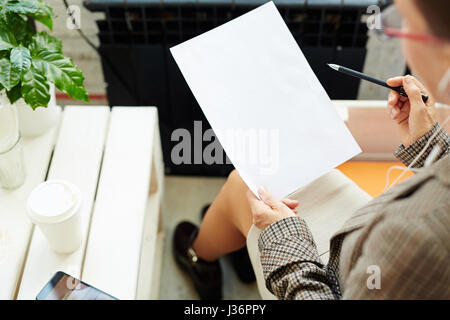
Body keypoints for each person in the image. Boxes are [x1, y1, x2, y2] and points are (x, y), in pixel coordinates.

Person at [173, 0, 450, 299]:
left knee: (248, 187)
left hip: (340, 275)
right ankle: (235, 245)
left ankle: (201, 258)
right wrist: (432, 148)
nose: (398, 35)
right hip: (373, 237)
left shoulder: (421, 238)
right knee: (261, 184)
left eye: (404, 23)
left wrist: (284, 239)